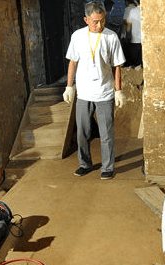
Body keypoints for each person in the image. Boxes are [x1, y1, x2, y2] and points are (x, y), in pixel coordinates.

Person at [63, 1, 126, 180]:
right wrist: (69, 87)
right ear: (86, 19)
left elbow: (116, 66)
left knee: (106, 133)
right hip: (83, 92)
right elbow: (72, 62)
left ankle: (107, 167)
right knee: (83, 132)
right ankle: (85, 164)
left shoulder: (111, 37)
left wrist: (118, 90)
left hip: (105, 92)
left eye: (102, 21)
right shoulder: (77, 36)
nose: (100, 25)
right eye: (95, 22)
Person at [122, 0, 142, 67]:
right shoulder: (147, 11)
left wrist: (127, 35)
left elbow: (128, 25)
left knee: (135, 56)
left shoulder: (132, 11)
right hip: (144, 39)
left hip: (134, 38)